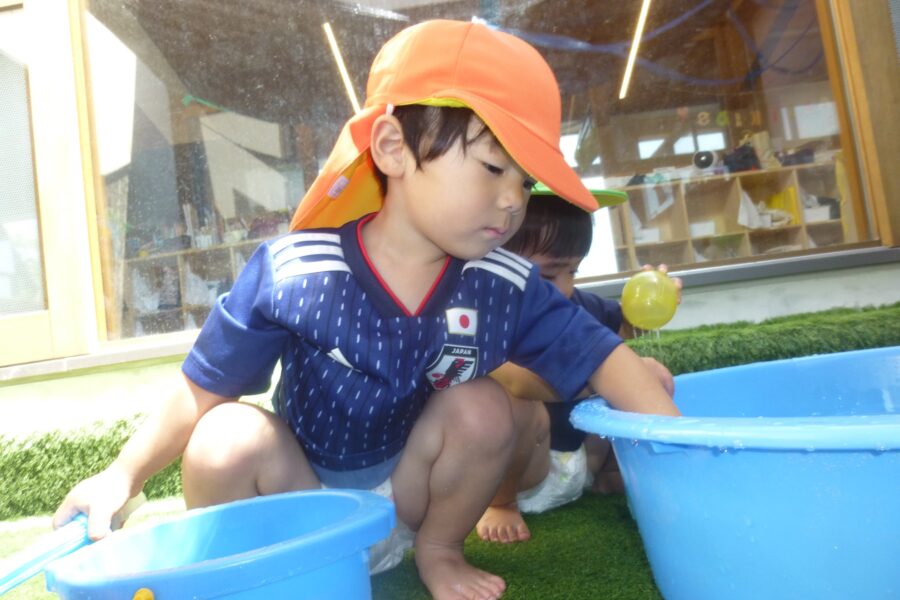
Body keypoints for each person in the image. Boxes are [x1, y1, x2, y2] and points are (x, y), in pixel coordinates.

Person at [53, 20, 679, 600]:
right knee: (223, 437)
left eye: (525, 179)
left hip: (408, 503)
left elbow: (605, 358)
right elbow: (203, 388)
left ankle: (440, 553)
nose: (514, 200)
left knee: (484, 404)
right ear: (392, 148)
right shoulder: (295, 271)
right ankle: (251, 576)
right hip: (302, 503)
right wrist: (122, 476)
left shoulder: (503, 283)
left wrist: (686, 451)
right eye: (494, 167)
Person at [477, 189, 680, 544]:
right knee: (512, 404)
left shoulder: (574, 307)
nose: (566, 288)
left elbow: (624, 330)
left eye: (573, 270)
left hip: (582, 463)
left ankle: (613, 470)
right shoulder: (483, 318)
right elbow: (520, 383)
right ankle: (500, 504)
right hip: (524, 476)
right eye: (548, 276)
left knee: (646, 374)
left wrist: (653, 299)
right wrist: (606, 380)